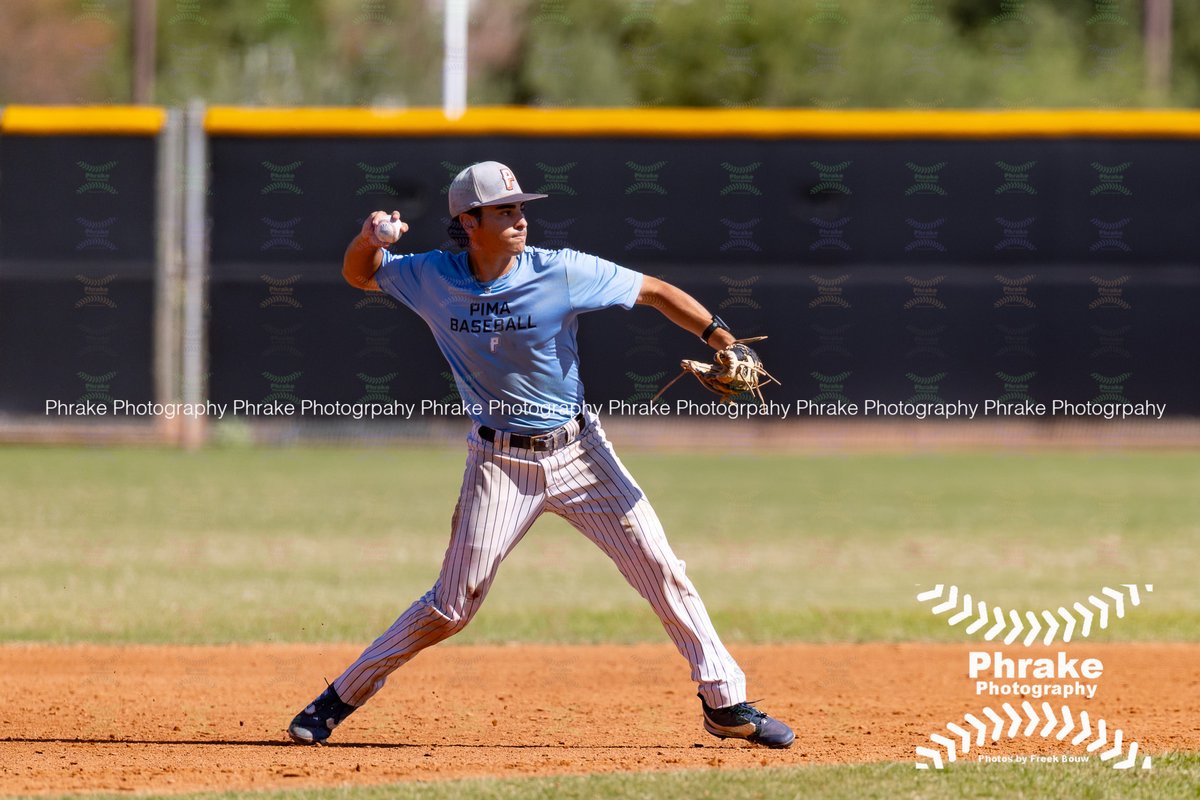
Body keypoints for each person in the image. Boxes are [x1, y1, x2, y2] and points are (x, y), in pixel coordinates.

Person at [287, 161, 794, 749]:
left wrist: (723, 340)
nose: (520, 218)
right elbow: (361, 275)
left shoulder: (561, 271)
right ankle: (339, 697)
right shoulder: (431, 275)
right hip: (499, 464)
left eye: (521, 207)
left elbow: (654, 291)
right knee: (451, 608)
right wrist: (368, 239)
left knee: (662, 570)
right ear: (468, 221)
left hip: (582, 453)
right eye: (505, 210)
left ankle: (725, 702)